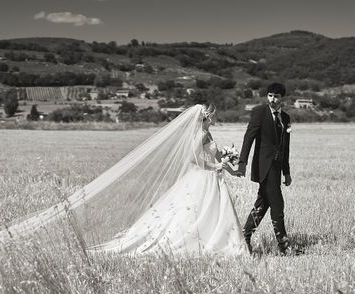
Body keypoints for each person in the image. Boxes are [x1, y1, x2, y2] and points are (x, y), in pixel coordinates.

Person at [89, 104, 246, 255]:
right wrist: (216, 166)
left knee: (215, 210)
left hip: (213, 176)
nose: (215, 117)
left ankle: (219, 240)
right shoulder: (201, 134)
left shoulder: (208, 133)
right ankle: (205, 241)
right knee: (197, 211)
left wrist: (230, 170)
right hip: (204, 177)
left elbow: (216, 153)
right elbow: (193, 159)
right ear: (207, 117)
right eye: (213, 115)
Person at [237, 82, 292, 255]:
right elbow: (249, 137)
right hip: (264, 166)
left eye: (276, 96)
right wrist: (242, 163)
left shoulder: (286, 118)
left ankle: (243, 236)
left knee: (263, 203)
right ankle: (283, 245)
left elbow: (285, 147)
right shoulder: (259, 112)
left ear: (282, 98)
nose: (272, 99)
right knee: (277, 204)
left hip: (276, 168)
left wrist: (287, 171)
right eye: (270, 95)